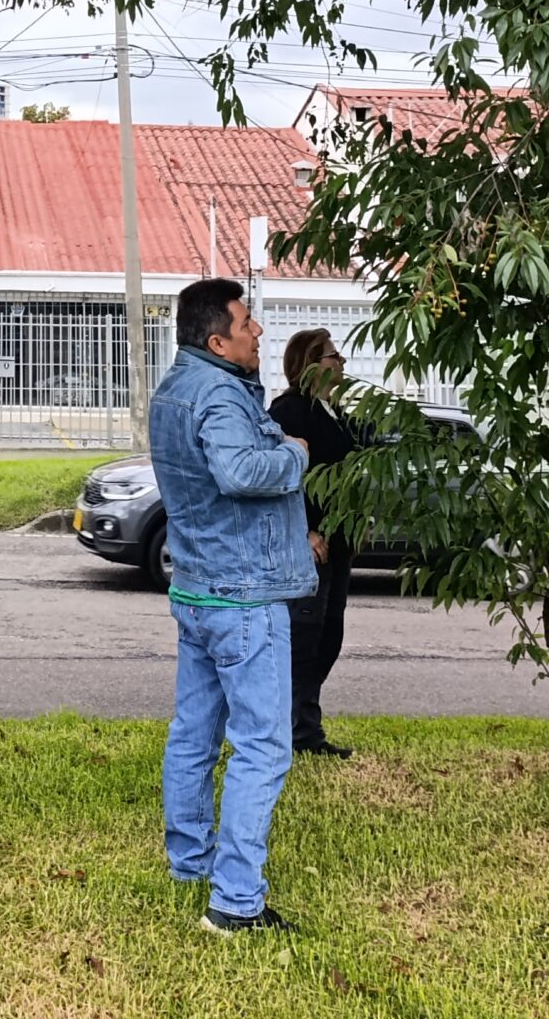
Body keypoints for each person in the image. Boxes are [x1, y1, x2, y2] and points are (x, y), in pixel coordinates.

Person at [149, 276, 314, 935]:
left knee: (193, 737)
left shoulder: (176, 387)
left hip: (195, 589)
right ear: (218, 338)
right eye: (248, 325)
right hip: (243, 596)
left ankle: (190, 864)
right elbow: (241, 473)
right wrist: (295, 456)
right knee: (263, 749)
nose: (258, 333)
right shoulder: (218, 394)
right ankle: (235, 903)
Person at [268, 328, 360, 760]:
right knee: (305, 636)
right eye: (331, 356)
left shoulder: (334, 412)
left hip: (340, 542)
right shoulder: (290, 411)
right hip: (311, 544)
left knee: (329, 633)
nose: (340, 362)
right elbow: (281, 480)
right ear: (308, 365)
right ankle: (297, 731)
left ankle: (305, 724)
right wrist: (303, 530)